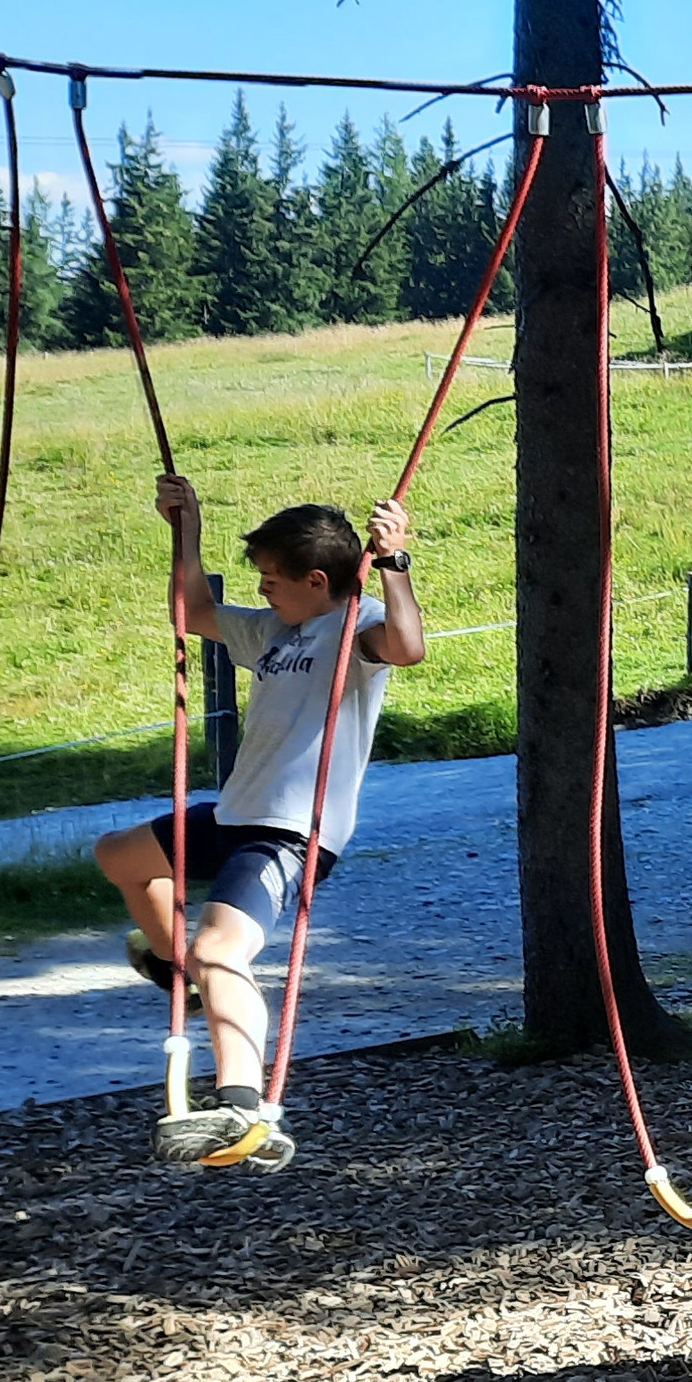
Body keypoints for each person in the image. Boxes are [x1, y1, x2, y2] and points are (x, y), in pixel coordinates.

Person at [94, 478, 425, 1171]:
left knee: (222, 950)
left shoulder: (354, 627)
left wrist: (395, 562)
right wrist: (187, 527)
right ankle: (180, 974)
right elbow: (194, 611)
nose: (263, 588)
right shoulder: (277, 631)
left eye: (273, 578)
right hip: (236, 813)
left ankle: (244, 1108)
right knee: (120, 857)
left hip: (289, 831)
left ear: (315, 580)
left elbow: (407, 646)